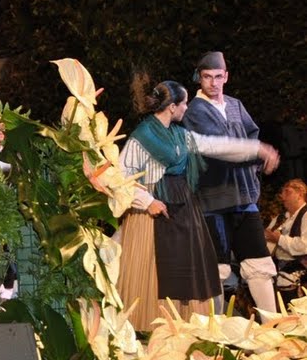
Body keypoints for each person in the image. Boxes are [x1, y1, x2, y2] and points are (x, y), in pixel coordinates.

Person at [116, 79, 278, 331]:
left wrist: (257, 148)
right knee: (153, 271)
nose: (187, 108)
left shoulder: (180, 135)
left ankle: (186, 330)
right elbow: (122, 175)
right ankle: (152, 330)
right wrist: (147, 201)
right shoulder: (142, 137)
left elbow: (216, 146)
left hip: (182, 207)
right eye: (185, 103)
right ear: (172, 107)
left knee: (189, 268)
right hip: (152, 211)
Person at [182, 51, 278, 314]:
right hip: (213, 201)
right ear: (199, 79)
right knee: (218, 270)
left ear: (226, 77)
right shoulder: (194, 111)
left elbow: (252, 134)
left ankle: (273, 327)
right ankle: (215, 334)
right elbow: (221, 148)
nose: (213, 83)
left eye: (218, 76)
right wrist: (257, 151)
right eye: (207, 77)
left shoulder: (236, 105)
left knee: (259, 263)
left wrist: (258, 163)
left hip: (244, 199)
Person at [264, 179, 307, 308]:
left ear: (300, 193)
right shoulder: (280, 218)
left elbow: (305, 245)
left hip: (300, 274)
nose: (282, 197)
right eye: (282, 193)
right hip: (277, 273)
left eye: (287, 192)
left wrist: (279, 239)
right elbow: (267, 243)